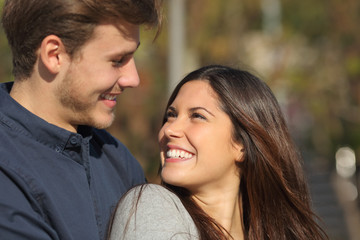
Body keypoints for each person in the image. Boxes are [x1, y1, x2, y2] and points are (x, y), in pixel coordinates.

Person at [0, 0, 161, 239]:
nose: (133, 79)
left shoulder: (116, 158)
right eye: (118, 60)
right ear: (54, 55)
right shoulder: (7, 172)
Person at [108, 65, 328, 240]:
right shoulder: (154, 207)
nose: (169, 129)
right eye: (171, 115)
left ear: (242, 144)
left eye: (197, 116)